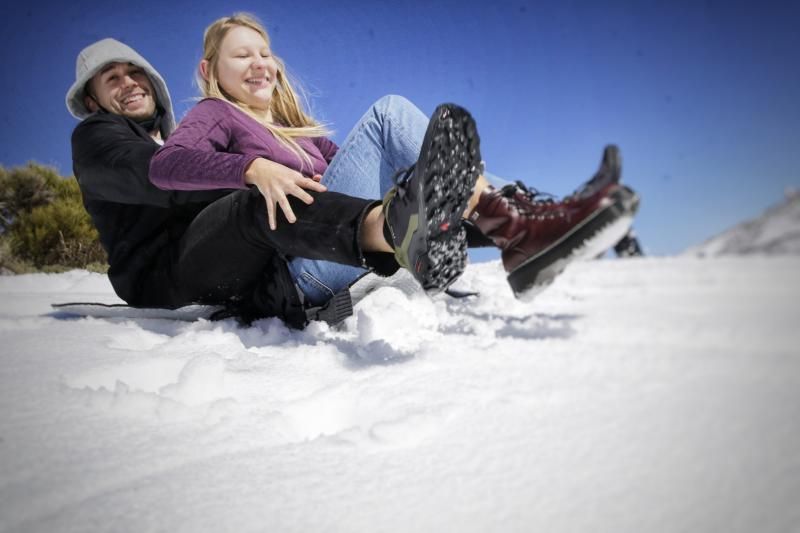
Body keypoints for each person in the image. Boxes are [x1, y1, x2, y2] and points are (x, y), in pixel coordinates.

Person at [66, 19, 637, 329]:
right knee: (390, 113)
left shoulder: (308, 138)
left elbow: (426, 192)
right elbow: (167, 170)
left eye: (265, 53)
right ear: (208, 70)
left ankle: (536, 222)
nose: (260, 63)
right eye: (242, 55)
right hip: (293, 269)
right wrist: (253, 165)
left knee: (423, 181)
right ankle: (521, 225)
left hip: (321, 257)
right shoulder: (209, 117)